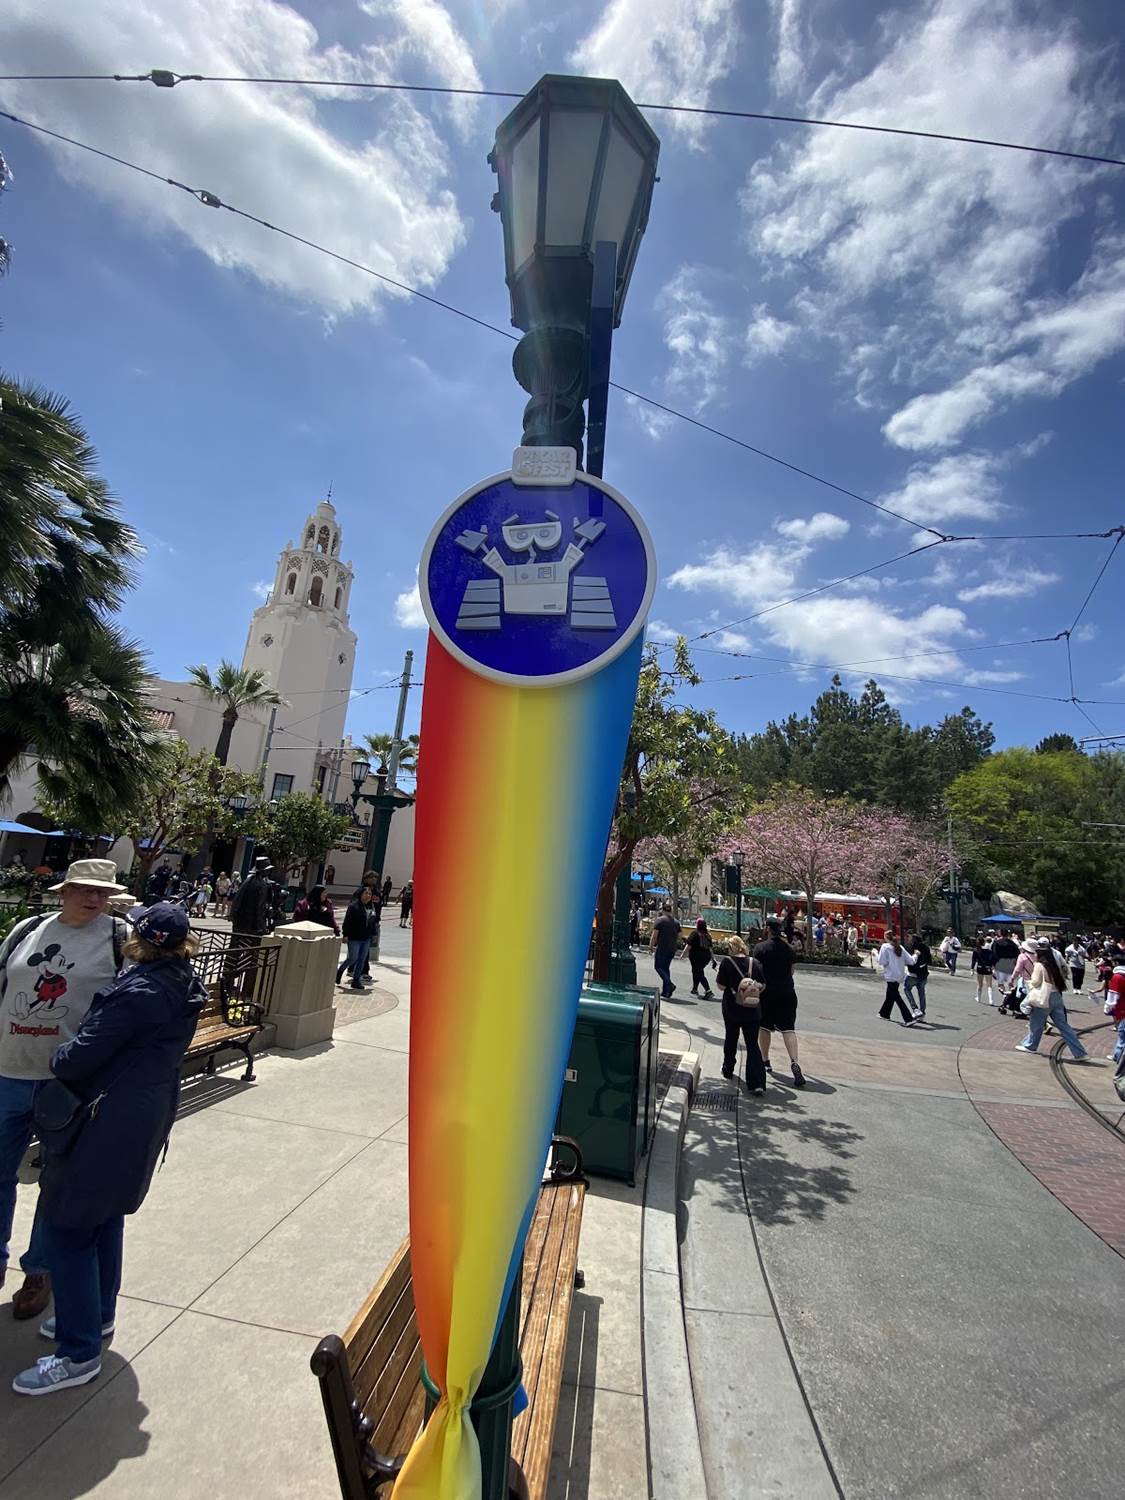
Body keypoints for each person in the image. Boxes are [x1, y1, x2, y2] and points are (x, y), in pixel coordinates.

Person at [11, 902, 205, 1395]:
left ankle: (77, 1353)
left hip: (104, 1121)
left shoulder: (139, 992)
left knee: (69, 1228)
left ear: (142, 941)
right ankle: (96, 1316)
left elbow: (75, 1059)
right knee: (104, 1220)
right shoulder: (183, 982)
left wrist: (59, 1051)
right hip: (141, 1115)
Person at [0, 859, 128, 1321]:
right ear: (64, 890)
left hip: (68, 1083)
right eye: (84, 890)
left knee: (55, 1183)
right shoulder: (28, 930)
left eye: (103, 892)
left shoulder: (119, 939)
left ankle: (39, 1270)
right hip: (9, 1070)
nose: (94, 899)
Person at [1015, 942, 1088, 1061]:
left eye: (1036, 953)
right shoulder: (1054, 965)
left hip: (1044, 997)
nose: (1034, 955)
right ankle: (1080, 1052)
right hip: (1056, 996)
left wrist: (1029, 982)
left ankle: (1030, 1045)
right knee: (1064, 1026)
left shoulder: (1039, 965)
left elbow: (1035, 982)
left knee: (1036, 1024)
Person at [753, 919, 805, 1087]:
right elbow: (791, 971)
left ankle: (765, 1061)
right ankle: (794, 1062)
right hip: (787, 993)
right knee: (788, 1029)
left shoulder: (760, 948)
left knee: (764, 1027)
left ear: (768, 929)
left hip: (767, 994)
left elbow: (756, 971)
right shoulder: (789, 949)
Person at [716, 936, 767, 1093]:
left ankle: (728, 1069)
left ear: (730, 948)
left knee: (731, 1038)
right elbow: (763, 985)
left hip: (732, 1008)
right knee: (752, 1044)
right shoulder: (754, 962)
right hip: (752, 1010)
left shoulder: (727, 962)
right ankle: (757, 1082)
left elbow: (721, 986)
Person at [337, 887, 378, 990]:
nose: (368, 896)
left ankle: (356, 981)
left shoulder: (371, 907)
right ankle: (340, 971)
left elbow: (373, 922)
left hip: (366, 938)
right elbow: (347, 921)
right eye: (366, 893)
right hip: (354, 937)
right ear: (360, 894)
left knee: (362, 959)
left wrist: (374, 934)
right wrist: (345, 934)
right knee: (352, 958)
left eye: (370, 894)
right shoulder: (353, 906)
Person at [877, 932, 920, 1026]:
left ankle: (908, 1018)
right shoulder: (900, 947)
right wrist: (916, 954)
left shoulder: (885, 947)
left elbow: (882, 961)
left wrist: (875, 953)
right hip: (899, 975)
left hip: (891, 975)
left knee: (896, 997)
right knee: (890, 995)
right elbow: (911, 961)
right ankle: (884, 1013)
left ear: (886, 938)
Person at [229, 857, 272, 937]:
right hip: (250, 922)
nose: (269, 871)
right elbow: (259, 907)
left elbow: (237, 899)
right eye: (268, 869)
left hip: (243, 920)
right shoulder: (260, 885)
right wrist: (262, 926)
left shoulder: (251, 880)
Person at [649, 903, 681, 1000]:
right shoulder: (676, 922)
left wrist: (651, 946)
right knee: (666, 968)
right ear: (670, 911)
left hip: (662, 947)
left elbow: (654, 935)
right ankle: (666, 992)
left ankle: (670, 984)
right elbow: (680, 936)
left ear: (663, 910)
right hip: (672, 948)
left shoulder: (660, 920)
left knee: (658, 967)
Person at [903, 932, 932, 1018]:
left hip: (913, 974)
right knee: (921, 993)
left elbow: (909, 961)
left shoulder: (910, 947)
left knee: (906, 988)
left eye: (908, 937)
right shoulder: (926, 947)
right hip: (923, 973)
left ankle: (915, 1009)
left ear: (913, 939)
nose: (907, 939)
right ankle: (922, 1012)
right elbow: (929, 961)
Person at [685, 918, 715, 998]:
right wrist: (713, 959)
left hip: (696, 957)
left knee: (698, 973)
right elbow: (710, 949)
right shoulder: (708, 935)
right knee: (697, 971)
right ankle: (695, 988)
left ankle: (708, 991)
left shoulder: (695, 933)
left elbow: (688, 945)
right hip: (706, 957)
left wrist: (683, 954)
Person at [1104, 962, 1125, 1063]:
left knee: (1122, 1032)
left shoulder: (1117, 977)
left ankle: (1117, 1056)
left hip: (1123, 1009)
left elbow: (1113, 994)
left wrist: (1108, 1008)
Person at [970, 935, 997, 1006]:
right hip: (988, 968)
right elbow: (993, 960)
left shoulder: (976, 950)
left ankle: (978, 998)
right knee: (989, 985)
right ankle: (991, 1000)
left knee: (980, 984)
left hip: (980, 967)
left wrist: (972, 969)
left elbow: (973, 960)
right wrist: (993, 968)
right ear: (984, 942)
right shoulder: (989, 951)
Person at [992, 932, 1020, 997]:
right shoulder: (1012, 943)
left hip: (1000, 962)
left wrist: (994, 964)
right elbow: (1017, 953)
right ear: (1007, 935)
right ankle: (1010, 992)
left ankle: (1003, 992)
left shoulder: (997, 943)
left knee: (1001, 981)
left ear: (1000, 934)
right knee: (1010, 980)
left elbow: (994, 954)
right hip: (1010, 962)